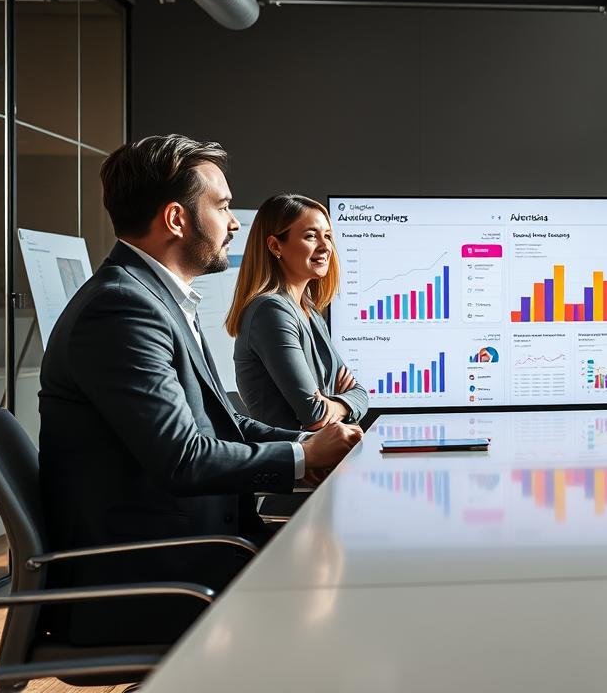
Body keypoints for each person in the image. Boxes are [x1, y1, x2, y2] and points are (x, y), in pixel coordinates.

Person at [38, 135, 362, 646]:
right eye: (224, 206)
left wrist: (307, 450)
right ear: (175, 219)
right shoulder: (121, 311)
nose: (236, 223)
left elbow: (221, 426)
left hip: (192, 553)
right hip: (152, 580)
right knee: (355, 596)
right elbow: (182, 459)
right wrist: (301, 458)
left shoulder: (153, 301)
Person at [228, 194, 368, 431]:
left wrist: (335, 404)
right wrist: (341, 403)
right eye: (311, 236)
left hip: (322, 460)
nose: (325, 247)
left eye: (328, 236)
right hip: (292, 463)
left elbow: (361, 393)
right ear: (275, 246)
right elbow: (315, 414)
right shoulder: (271, 311)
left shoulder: (310, 312)